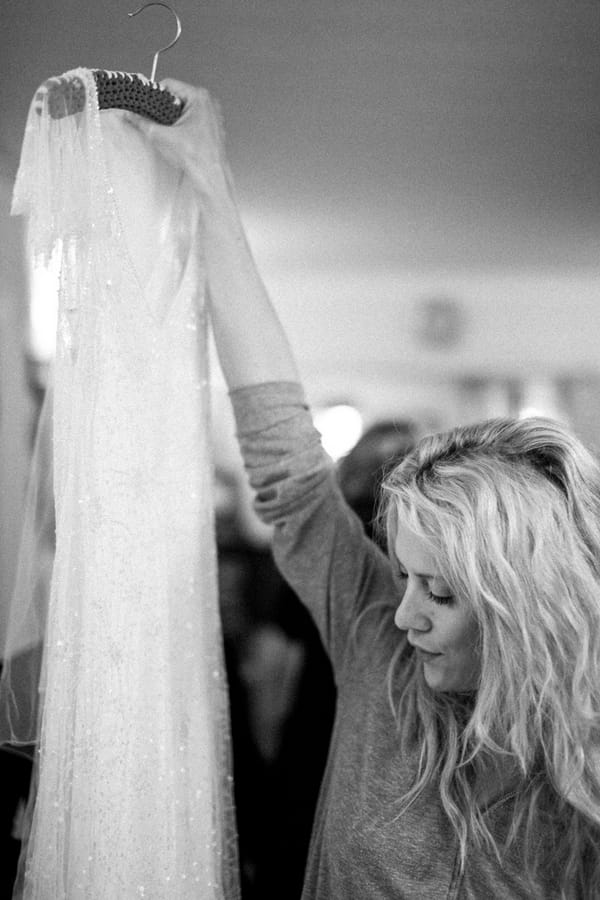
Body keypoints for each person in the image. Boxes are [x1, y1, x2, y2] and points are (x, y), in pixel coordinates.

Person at [125, 82, 600, 900]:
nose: (405, 610)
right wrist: (210, 183)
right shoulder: (381, 649)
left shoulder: (579, 790)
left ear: (525, 603)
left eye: (440, 592)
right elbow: (293, 476)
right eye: (406, 575)